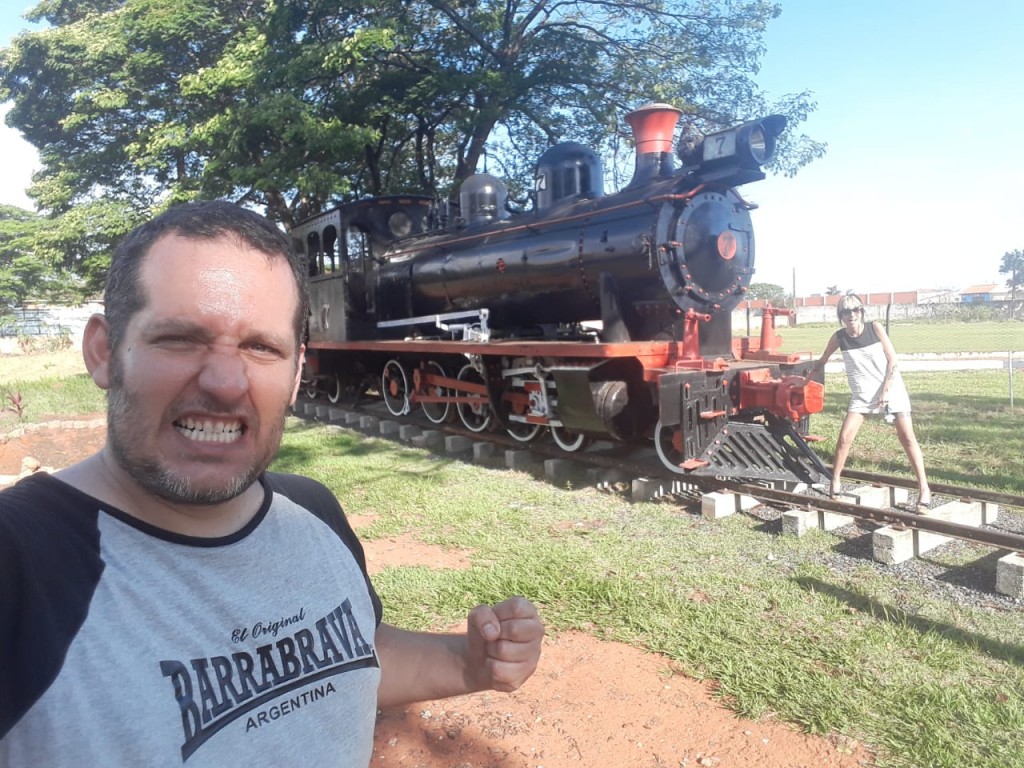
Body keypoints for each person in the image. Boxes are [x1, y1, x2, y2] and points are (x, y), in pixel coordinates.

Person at [0, 201, 544, 766]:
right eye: (181, 337)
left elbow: (345, 663)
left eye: (262, 347)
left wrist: (467, 664)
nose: (226, 381)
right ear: (103, 352)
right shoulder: (17, 564)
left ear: (295, 373)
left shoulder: (312, 511)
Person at [805, 293, 931, 509]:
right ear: (841, 316)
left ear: (861, 312)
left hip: (891, 390)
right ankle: (835, 481)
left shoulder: (875, 328)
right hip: (862, 395)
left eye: (855, 310)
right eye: (846, 311)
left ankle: (924, 489)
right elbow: (823, 360)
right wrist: (804, 380)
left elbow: (893, 360)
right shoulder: (839, 337)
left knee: (907, 438)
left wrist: (885, 389)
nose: (851, 314)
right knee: (844, 438)